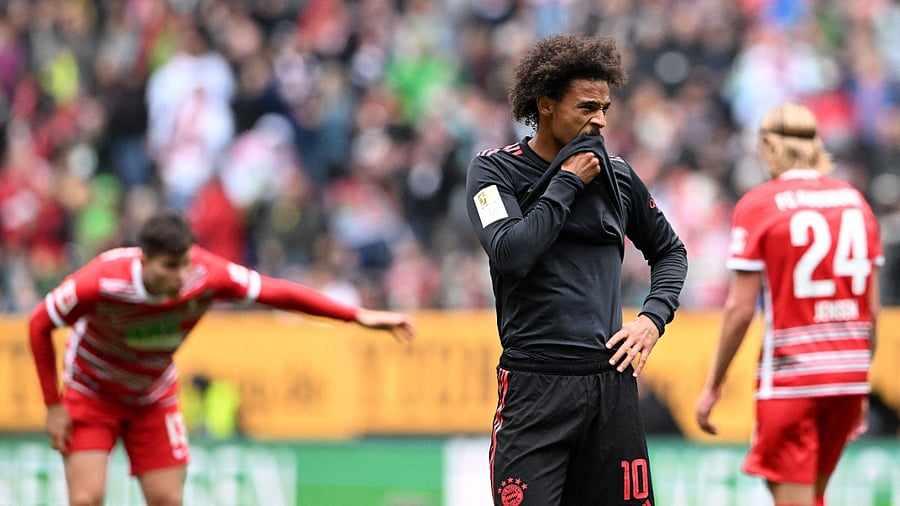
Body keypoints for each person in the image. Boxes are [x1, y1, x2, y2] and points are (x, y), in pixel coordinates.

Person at [28, 209, 415, 506]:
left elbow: (276, 292)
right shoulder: (102, 281)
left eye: (185, 263)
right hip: (92, 392)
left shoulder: (206, 275)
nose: (181, 276)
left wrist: (356, 316)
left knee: (167, 499)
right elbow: (38, 324)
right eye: (170, 266)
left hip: (151, 396)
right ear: (144, 260)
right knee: (86, 498)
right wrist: (52, 405)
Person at [465, 34, 688, 506]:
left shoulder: (619, 177)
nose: (600, 120)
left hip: (611, 386)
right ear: (544, 104)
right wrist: (566, 182)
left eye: (605, 107)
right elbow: (511, 254)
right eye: (587, 106)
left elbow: (670, 251)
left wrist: (652, 318)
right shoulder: (495, 173)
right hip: (534, 387)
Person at [694, 102, 883, 506]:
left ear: (766, 146)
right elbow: (871, 307)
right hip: (848, 377)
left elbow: (741, 309)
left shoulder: (759, 204)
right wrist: (861, 384)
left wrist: (712, 385)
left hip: (792, 379)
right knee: (815, 495)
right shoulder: (855, 202)